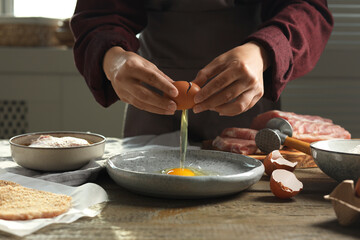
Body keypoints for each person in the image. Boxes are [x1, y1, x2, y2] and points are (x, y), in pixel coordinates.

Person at [70, 0, 333, 142]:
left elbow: (307, 7)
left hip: (244, 96)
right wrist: (113, 59)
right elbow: (99, 11)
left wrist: (263, 51)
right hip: (153, 102)